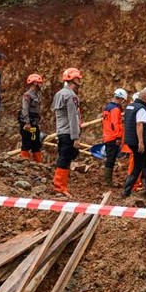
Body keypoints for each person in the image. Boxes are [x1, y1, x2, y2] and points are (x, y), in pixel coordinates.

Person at [52, 68, 83, 196]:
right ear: (73, 79)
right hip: (69, 132)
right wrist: (76, 137)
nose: (80, 80)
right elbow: (73, 117)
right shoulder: (71, 96)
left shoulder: (59, 94)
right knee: (65, 159)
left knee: (63, 157)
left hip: (61, 131)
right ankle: (60, 187)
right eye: (78, 78)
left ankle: (60, 186)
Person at [123, 87, 146, 197]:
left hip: (130, 139)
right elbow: (139, 125)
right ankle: (126, 190)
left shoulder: (130, 106)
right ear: (145, 97)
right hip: (137, 141)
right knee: (138, 166)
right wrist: (141, 143)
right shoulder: (141, 108)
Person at [102, 88, 128, 185]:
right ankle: (108, 181)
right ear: (121, 99)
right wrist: (118, 137)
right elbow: (115, 124)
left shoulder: (107, 107)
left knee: (110, 157)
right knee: (111, 159)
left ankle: (108, 180)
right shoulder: (115, 109)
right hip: (113, 137)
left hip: (107, 136)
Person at [18, 73, 45, 161]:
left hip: (34, 124)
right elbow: (25, 109)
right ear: (35, 83)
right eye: (39, 82)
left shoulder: (38, 95)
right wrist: (27, 122)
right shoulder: (27, 95)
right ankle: (24, 163)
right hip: (27, 124)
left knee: (36, 143)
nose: (41, 84)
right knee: (26, 142)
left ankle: (38, 163)